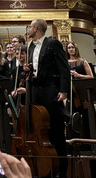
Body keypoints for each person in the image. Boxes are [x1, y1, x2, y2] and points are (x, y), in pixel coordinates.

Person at [26, 19, 70, 178]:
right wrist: (28, 69)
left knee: (55, 129)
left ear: (36, 28)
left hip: (51, 88)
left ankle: (61, 170)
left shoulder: (53, 43)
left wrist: (64, 91)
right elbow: (35, 68)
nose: (28, 29)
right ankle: (44, 168)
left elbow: (64, 68)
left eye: (30, 27)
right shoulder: (30, 46)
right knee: (39, 128)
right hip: (35, 89)